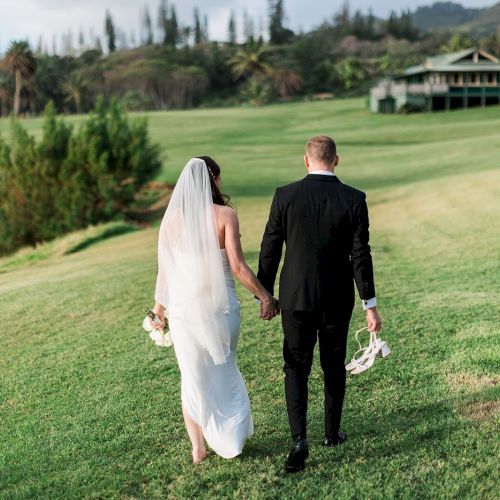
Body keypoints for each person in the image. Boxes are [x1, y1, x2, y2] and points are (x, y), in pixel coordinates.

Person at [257, 136, 382, 473]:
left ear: (306, 160)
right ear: (336, 160)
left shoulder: (285, 195)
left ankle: (299, 440)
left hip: (295, 298)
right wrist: (369, 304)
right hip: (336, 298)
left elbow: (270, 248)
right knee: (333, 363)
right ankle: (331, 433)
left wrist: (264, 294)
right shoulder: (354, 199)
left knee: (295, 366)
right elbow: (361, 256)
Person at [151, 157, 278, 464]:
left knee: (191, 377)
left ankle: (198, 448)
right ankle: (230, 437)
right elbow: (237, 266)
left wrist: (159, 309)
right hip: (221, 310)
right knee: (223, 369)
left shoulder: (171, 221)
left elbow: (165, 270)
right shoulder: (225, 215)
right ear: (215, 180)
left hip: (183, 313)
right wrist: (265, 296)